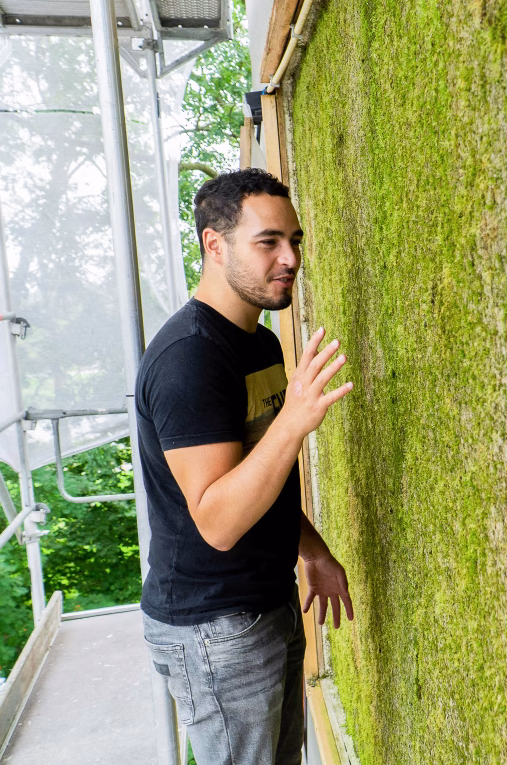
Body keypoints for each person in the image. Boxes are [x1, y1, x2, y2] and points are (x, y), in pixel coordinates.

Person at [135, 168, 354, 765]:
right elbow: (218, 521)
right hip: (213, 630)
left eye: (295, 240)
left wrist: (313, 552)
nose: (290, 258)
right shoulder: (188, 361)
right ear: (215, 244)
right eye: (268, 242)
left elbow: (260, 475)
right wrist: (294, 420)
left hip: (265, 602)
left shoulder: (259, 342)